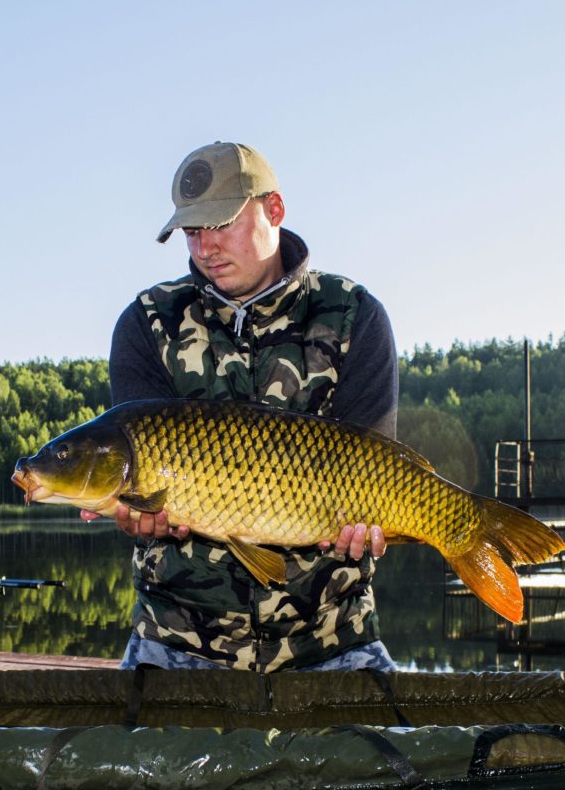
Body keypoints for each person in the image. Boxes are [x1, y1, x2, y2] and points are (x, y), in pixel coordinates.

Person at [106, 141, 400, 672]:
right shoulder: (148, 322)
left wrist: (373, 526)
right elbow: (134, 461)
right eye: (192, 232)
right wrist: (135, 515)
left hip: (331, 637)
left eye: (222, 223)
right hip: (178, 641)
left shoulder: (354, 315)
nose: (206, 248)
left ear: (276, 210)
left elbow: (375, 465)